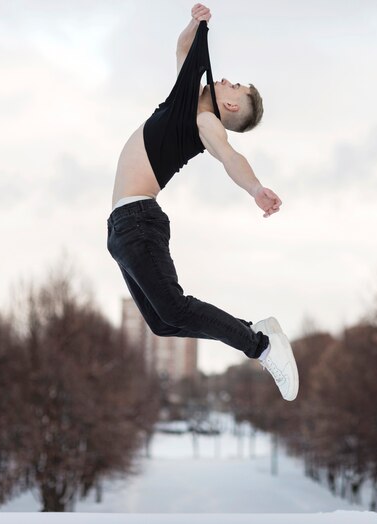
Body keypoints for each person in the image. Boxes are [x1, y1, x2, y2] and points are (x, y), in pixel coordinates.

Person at [106, 4, 298, 401]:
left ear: (229, 107)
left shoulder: (205, 121)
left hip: (138, 221)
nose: (226, 79)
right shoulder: (185, 97)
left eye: (235, 86)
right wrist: (196, 22)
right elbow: (183, 48)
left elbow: (229, 157)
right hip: (121, 228)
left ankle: (261, 345)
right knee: (163, 322)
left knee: (174, 308)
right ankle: (258, 331)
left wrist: (255, 188)